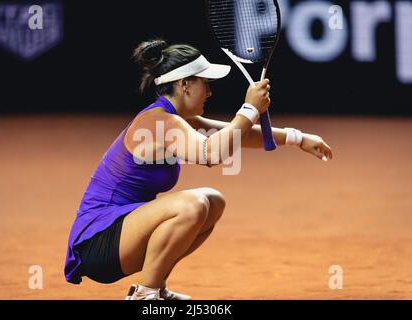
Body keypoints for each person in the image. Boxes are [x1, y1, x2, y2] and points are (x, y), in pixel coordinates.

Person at [64, 39, 333, 300]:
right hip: (98, 242)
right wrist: (250, 107)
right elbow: (212, 153)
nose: (210, 91)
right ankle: (145, 297)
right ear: (184, 85)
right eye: (205, 83)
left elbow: (234, 134)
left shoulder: (177, 119)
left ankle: (155, 287)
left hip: (118, 239)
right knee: (192, 205)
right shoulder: (159, 121)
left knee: (213, 201)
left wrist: (298, 138)